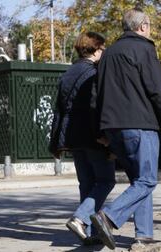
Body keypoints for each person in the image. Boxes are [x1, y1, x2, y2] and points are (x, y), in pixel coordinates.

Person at [90, 8, 161, 250]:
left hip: (113, 128)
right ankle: (107, 217)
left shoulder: (108, 54)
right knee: (148, 181)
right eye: (149, 25)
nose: (150, 29)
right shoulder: (144, 48)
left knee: (139, 182)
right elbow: (158, 90)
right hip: (140, 125)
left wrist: (101, 131)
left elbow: (96, 95)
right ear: (142, 27)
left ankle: (144, 235)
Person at [49, 32, 116, 245]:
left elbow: (59, 108)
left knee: (86, 183)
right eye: (103, 48)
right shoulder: (94, 73)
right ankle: (80, 218)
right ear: (96, 49)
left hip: (72, 136)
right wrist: (104, 135)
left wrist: (57, 141)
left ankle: (88, 233)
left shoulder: (68, 73)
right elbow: (95, 106)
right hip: (91, 134)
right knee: (105, 180)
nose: (104, 52)